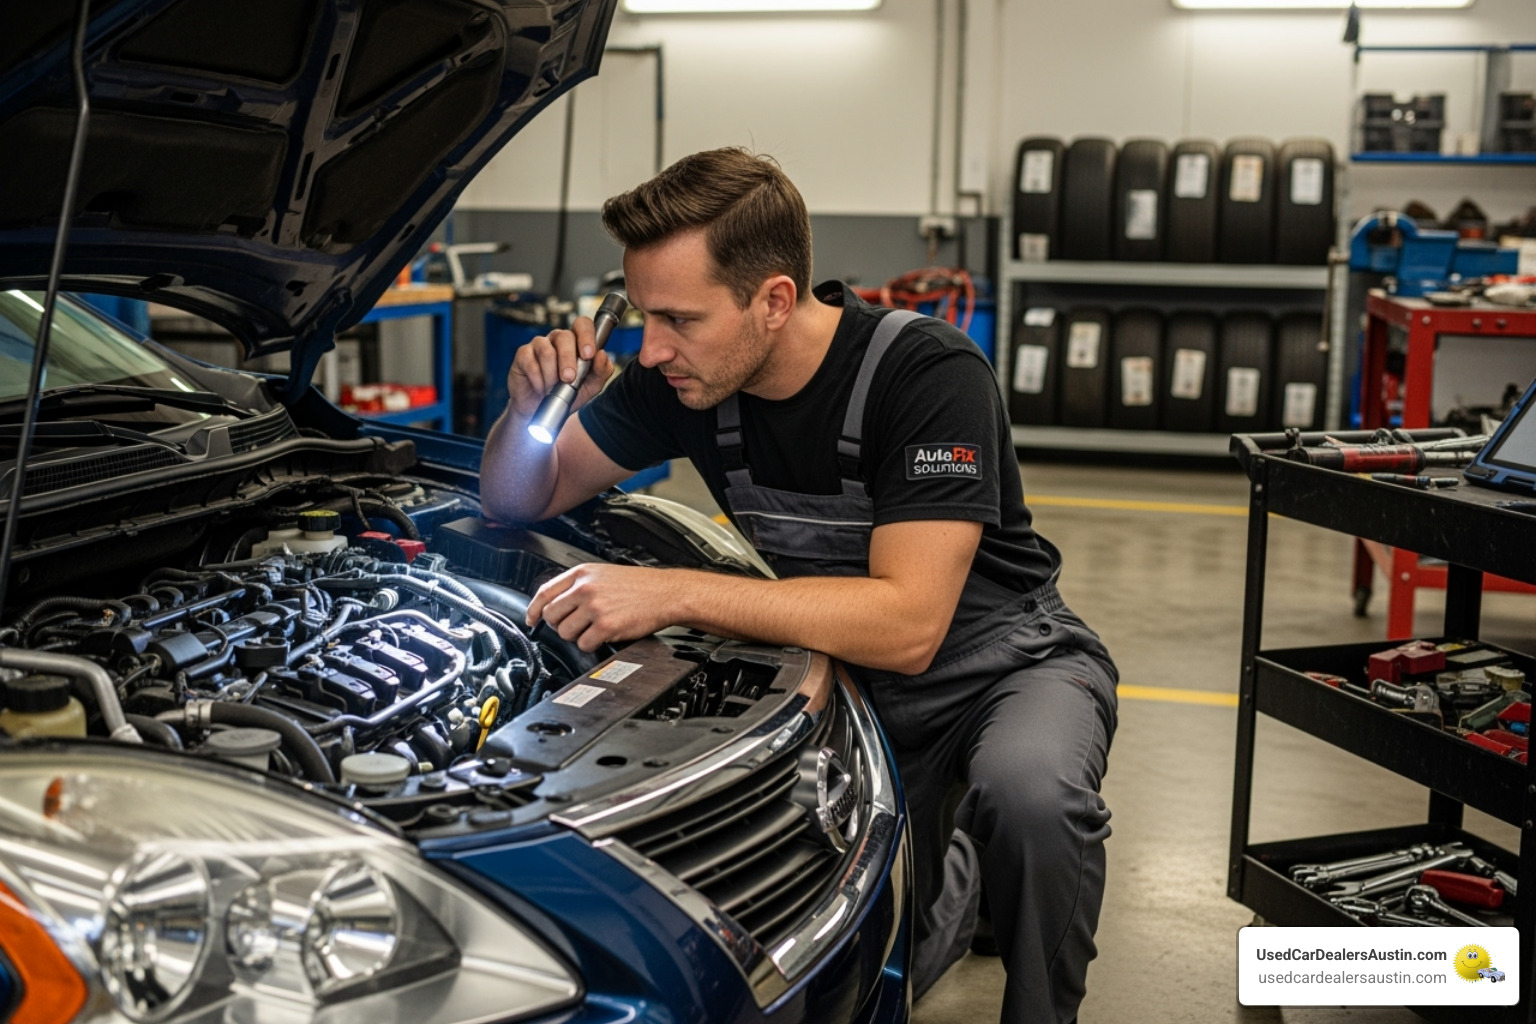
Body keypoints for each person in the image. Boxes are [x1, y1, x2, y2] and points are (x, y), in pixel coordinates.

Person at [478, 147, 1118, 1023]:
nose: (650, 347)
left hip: (1007, 664)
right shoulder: (683, 380)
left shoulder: (928, 374)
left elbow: (910, 623)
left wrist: (673, 589)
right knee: (890, 959)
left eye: (678, 319)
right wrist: (529, 412)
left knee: (1031, 795)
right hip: (858, 673)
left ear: (773, 301)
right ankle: (966, 883)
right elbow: (523, 497)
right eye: (639, 315)